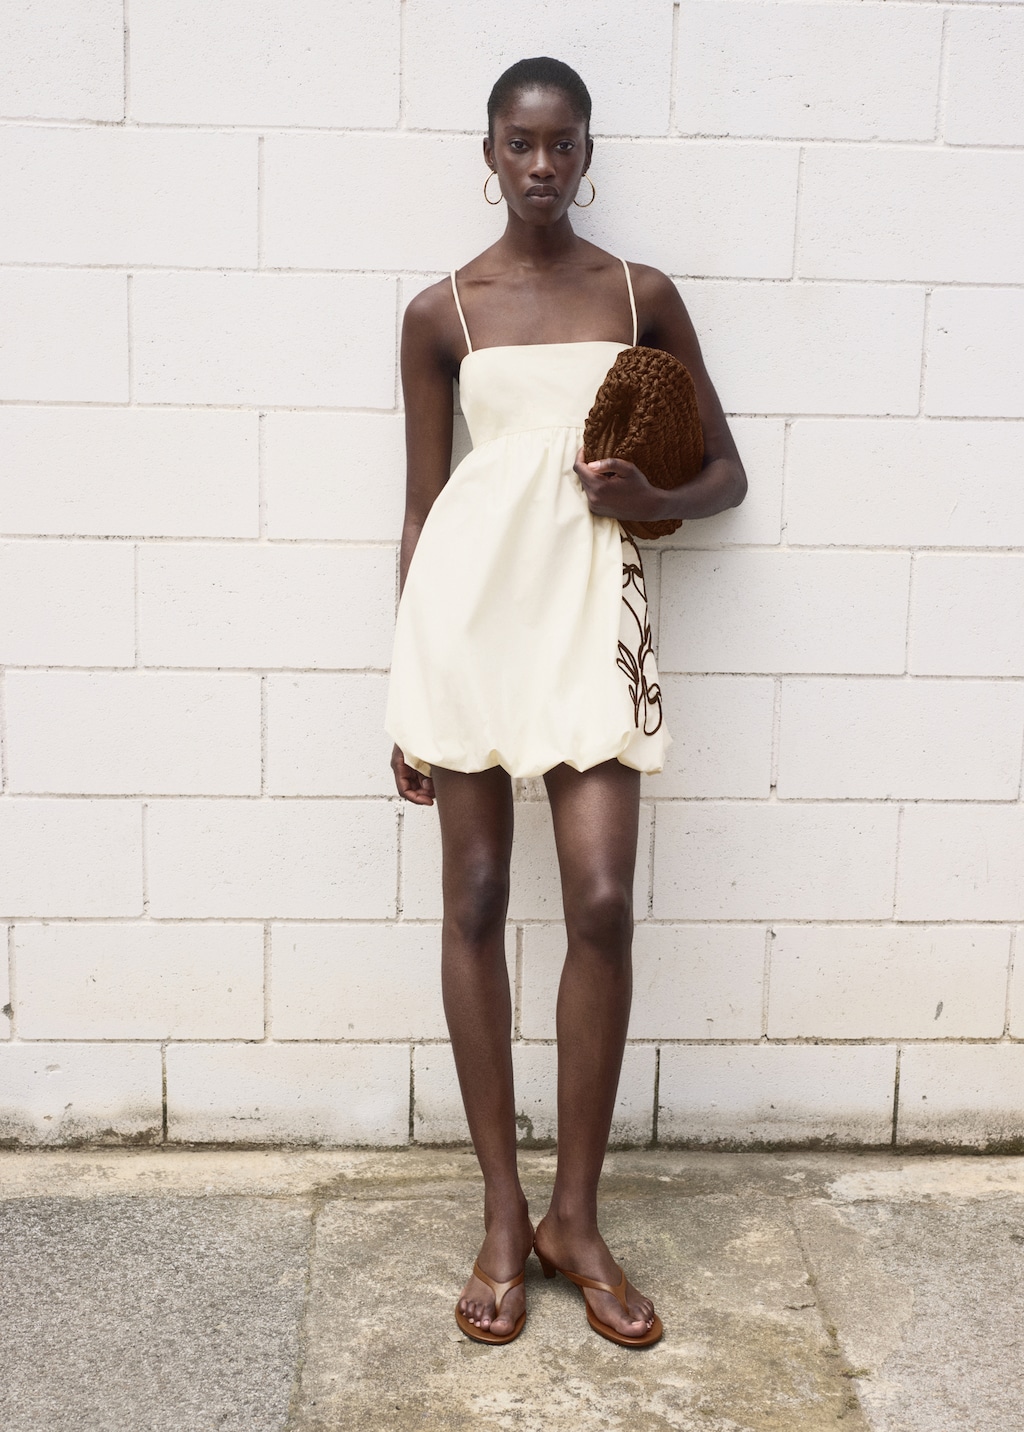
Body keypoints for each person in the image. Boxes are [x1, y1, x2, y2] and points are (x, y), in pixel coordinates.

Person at [385, 56, 746, 1347]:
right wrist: (405, 687)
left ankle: (575, 1218)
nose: (542, 165)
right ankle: (503, 1213)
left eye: (563, 144)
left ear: (588, 156)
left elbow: (725, 475)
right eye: (519, 143)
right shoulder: (443, 312)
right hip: (470, 623)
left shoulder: (642, 296)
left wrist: (653, 500)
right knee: (476, 898)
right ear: (488, 152)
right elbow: (422, 510)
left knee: (599, 900)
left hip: (594, 615)